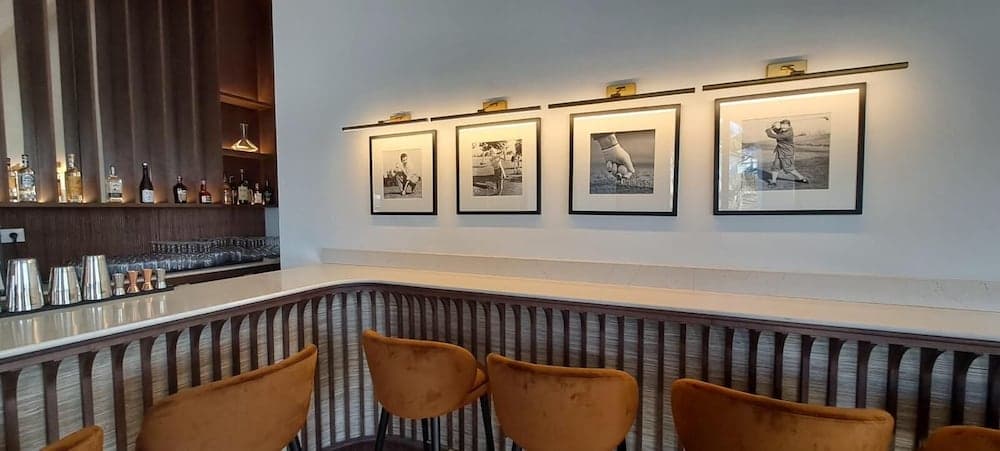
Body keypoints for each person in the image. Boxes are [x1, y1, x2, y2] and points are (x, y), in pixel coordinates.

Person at [765, 119, 808, 185]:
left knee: (788, 168)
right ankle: (773, 181)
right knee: (775, 166)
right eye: (782, 127)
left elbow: (773, 136)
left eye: (785, 127)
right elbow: (778, 131)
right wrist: (773, 127)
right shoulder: (784, 129)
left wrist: (768, 129)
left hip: (787, 153)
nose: (783, 128)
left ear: (789, 126)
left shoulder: (787, 134)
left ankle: (802, 178)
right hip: (780, 151)